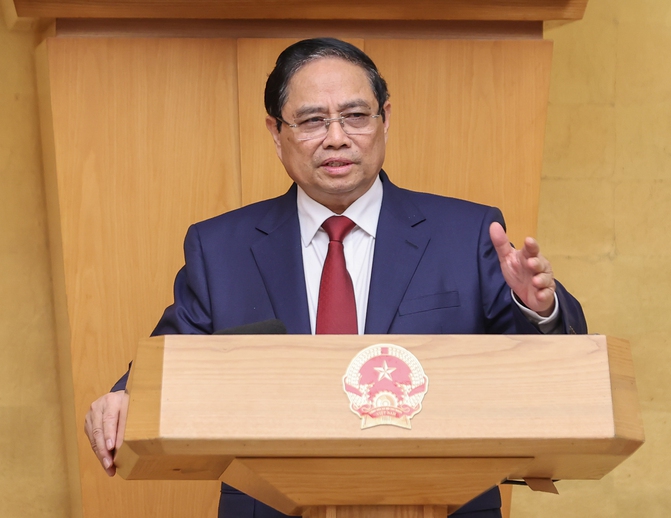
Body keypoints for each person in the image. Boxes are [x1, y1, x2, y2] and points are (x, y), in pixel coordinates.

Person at [84, 38, 587, 518]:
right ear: (276, 133)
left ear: (385, 119)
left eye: (355, 116)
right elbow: (170, 364)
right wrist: (124, 397)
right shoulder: (221, 249)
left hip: (443, 506)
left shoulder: (466, 233)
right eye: (312, 120)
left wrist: (538, 310)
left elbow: (550, 374)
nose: (337, 137)